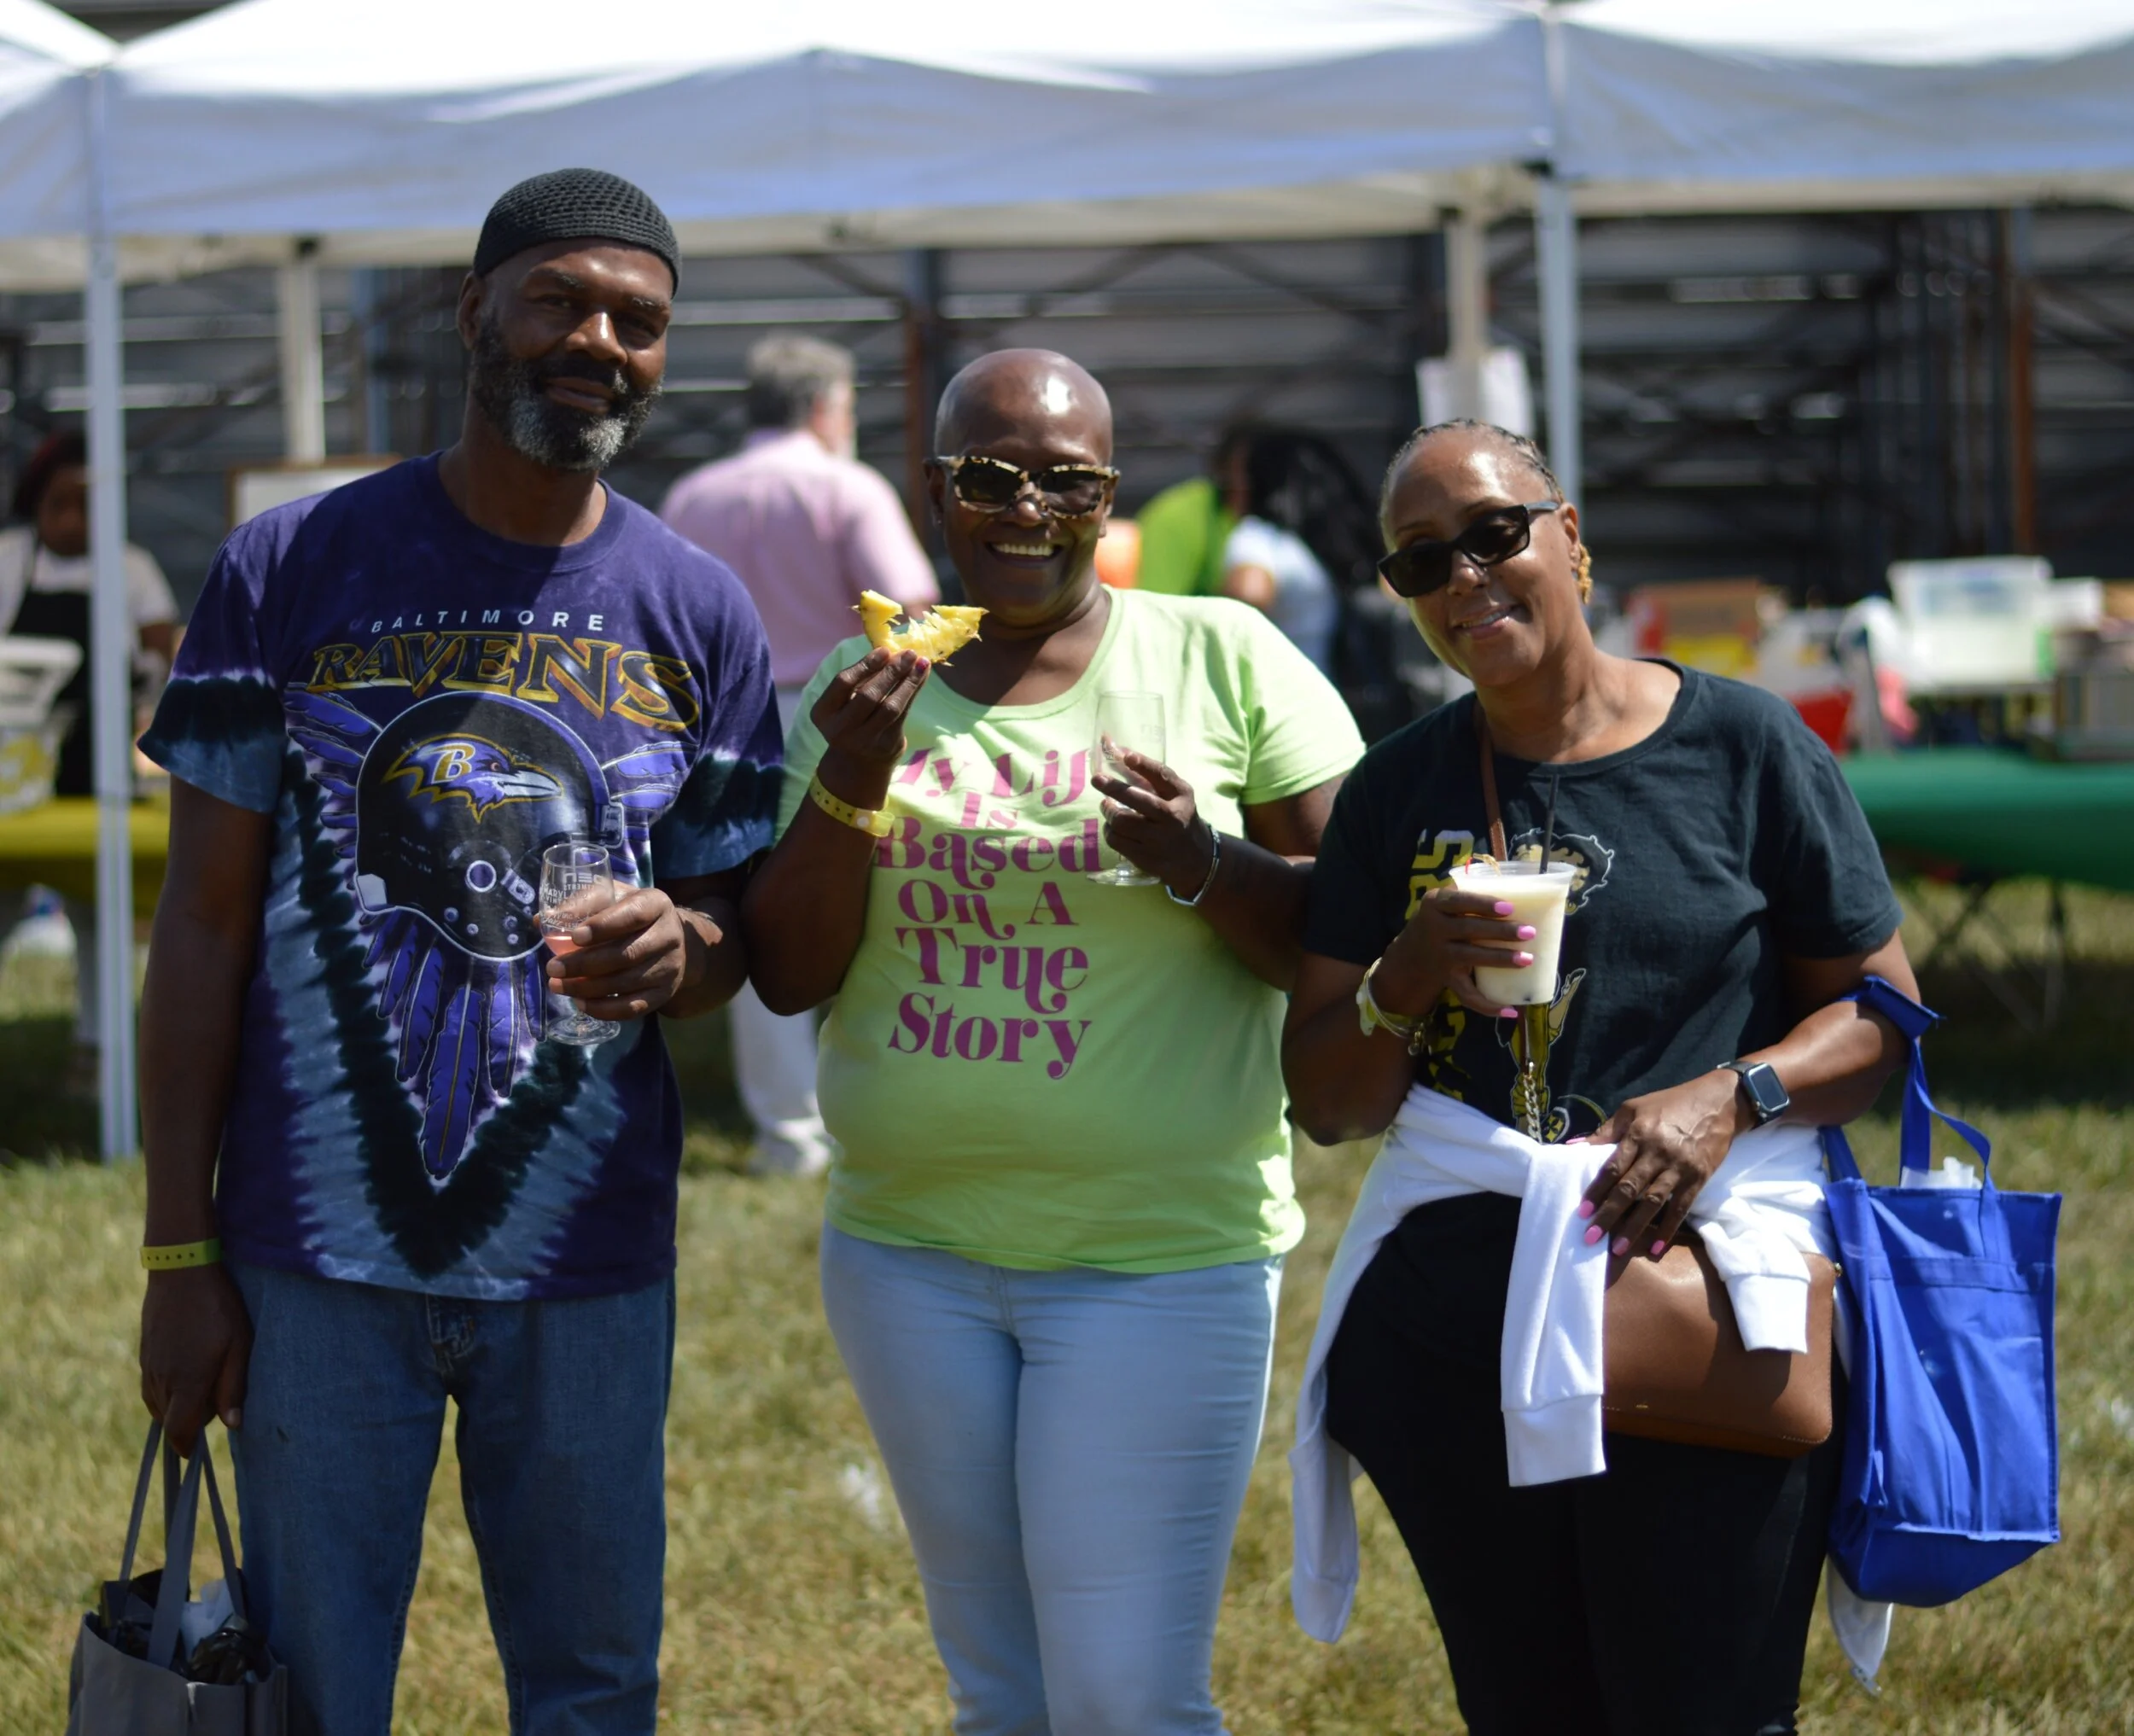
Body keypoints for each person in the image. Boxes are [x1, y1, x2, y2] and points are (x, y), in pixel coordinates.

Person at [134, 168, 780, 1735]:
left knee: (590, 1682)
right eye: (560, 297)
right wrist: (177, 1253)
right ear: (473, 309)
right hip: (313, 1258)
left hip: (588, 1261)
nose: (599, 339)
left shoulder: (698, 608)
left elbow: (731, 932)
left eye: (639, 319)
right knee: (304, 1682)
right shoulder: (289, 567)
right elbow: (204, 924)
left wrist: (675, 942)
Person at [742, 349, 1361, 1734]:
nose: (1027, 505)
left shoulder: (1224, 654)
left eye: (1065, 478)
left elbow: (1354, 933)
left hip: (1156, 1257)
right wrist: (848, 779)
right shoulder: (869, 676)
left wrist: (1201, 860)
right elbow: (790, 970)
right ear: (937, 489)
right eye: (989, 475)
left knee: (1126, 1696)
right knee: (1005, 1691)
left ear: (1111, 493)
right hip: (910, 1254)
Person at [1280, 417, 1920, 1735]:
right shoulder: (1397, 788)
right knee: (1528, 1709)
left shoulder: (1745, 747)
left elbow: (1882, 1018)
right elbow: (1329, 1102)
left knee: (1712, 1706)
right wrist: (1403, 975)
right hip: (1455, 1321)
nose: (1465, 577)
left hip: (1702, 1301)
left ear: (1570, 535)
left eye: (1494, 533)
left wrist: (1727, 1098)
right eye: (1420, 563)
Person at [662, 334, 937, 1176]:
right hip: (833, 714)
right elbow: (914, 605)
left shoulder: (689, 496)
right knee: (859, 903)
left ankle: (786, 1134)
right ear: (826, 408)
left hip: (712, 722)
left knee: (740, 915)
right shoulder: (846, 487)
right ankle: (867, 1105)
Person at [0, 430, 179, 1091]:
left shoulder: (129, 567)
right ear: (35, 503)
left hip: (93, 770)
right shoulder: (9, 558)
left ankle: (97, 1049)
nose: (73, 520)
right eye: (59, 504)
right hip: (13, 775)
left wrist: (145, 677)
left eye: (87, 505)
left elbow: (160, 651)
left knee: (96, 913)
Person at [1216, 428, 1346, 673]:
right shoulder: (1308, 544)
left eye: (1238, 476)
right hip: (1326, 686)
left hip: (1277, 693)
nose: (1229, 487)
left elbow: (1249, 594)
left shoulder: (1255, 537)